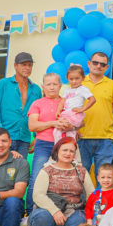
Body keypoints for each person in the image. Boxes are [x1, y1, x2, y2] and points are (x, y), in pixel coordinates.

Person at [28, 137, 96, 226]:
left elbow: (91, 195)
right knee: (40, 217)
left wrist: (91, 216)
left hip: (73, 210)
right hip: (48, 210)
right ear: (57, 151)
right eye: (65, 150)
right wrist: (55, 211)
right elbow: (38, 195)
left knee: (79, 220)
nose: (68, 153)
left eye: (72, 151)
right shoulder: (47, 170)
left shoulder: (81, 171)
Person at [26, 72, 74, 213]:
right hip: (43, 145)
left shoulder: (67, 102)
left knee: (63, 179)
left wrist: (70, 125)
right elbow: (32, 126)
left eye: (55, 84)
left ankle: (64, 211)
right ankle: (29, 213)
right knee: (36, 177)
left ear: (60, 86)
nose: (52, 87)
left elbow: (80, 122)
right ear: (43, 86)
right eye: (48, 84)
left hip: (63, 145)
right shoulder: (37, 103)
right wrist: (54, 123)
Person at [0, 52, 41, 156]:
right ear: (15, 66)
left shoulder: (36, 90)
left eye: (29, 65)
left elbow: (39, 115)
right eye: (23, 64)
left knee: (19, 170)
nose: (27, 68)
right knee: (0, 169)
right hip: (3, 137)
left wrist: (37, 136)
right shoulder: (3, 83)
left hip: (24, 139)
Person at [79, 51, 113, 179]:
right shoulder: (78, 83)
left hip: (105, 139)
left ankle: (102, 200)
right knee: (81, 176)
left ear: (107, 67)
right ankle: (81, 200)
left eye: (102, 64)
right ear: (89, 64)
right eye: (95, 63)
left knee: (104, 177)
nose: (98, 66)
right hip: (81, 137)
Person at [56, 65, 96, 141]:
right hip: (67, 113)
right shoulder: (67, 90)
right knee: (57, 130)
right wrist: (58, 110)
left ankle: (70, 144)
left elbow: (93, 99)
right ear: (67, 78)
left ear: (83, 78)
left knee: (68, 131)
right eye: (71, 79)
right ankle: (58, 146)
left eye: (77, 78)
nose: (74, 81)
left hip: (75, 114)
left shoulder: (83, 89)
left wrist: (82, 109)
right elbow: (62, 101)